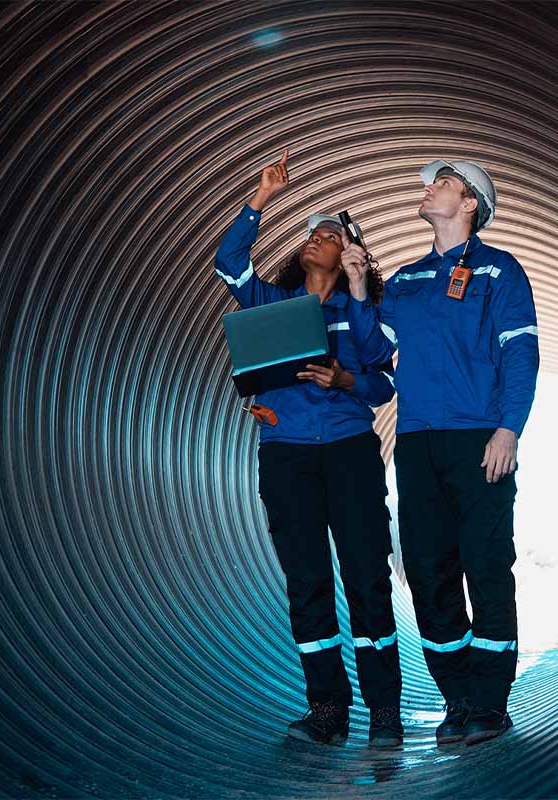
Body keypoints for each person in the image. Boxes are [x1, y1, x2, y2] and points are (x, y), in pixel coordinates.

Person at [341, 158, 539, 746]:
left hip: (479, 439)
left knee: (486, 569)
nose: (429, 189)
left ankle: (490, 703)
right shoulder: (403, 281)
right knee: (428, 574)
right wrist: (358, 290)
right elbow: (376, 351)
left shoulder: (500, 272)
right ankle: (456, 698)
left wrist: (508, 431)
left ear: (471, 203)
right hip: (418, 443)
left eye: (443, 183)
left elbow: (520, 357)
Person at [215, 150, 403, 748]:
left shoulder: (362, 310)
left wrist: (345, 379)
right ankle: (327, 711)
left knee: (368, 579)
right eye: (310, 234)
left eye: (328, 234)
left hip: (349, 451)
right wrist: (261, 196)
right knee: (307, 584)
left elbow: (382, 378)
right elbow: (227, 263)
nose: (314, 238)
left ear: (350, 253)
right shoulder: (272, 304)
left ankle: (383, 711)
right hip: (287, 455)